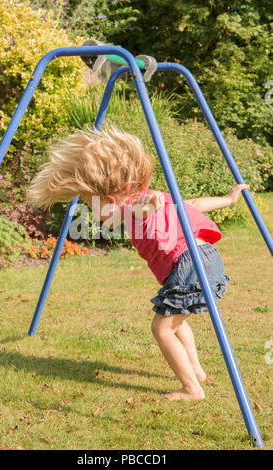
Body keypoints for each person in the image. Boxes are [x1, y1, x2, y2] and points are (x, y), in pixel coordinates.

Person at [27, 125, 250, 401]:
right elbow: (192, 203)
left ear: (108, 201)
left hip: (189, 262)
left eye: (91, 204)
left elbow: (140, 209)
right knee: (177, 322)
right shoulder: (149, 200)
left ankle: (192, 389)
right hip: (208, 257)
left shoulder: (132, 208)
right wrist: (228, 200)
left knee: (161, 328)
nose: (93, 212)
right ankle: (196, 371)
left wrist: (148, 203)